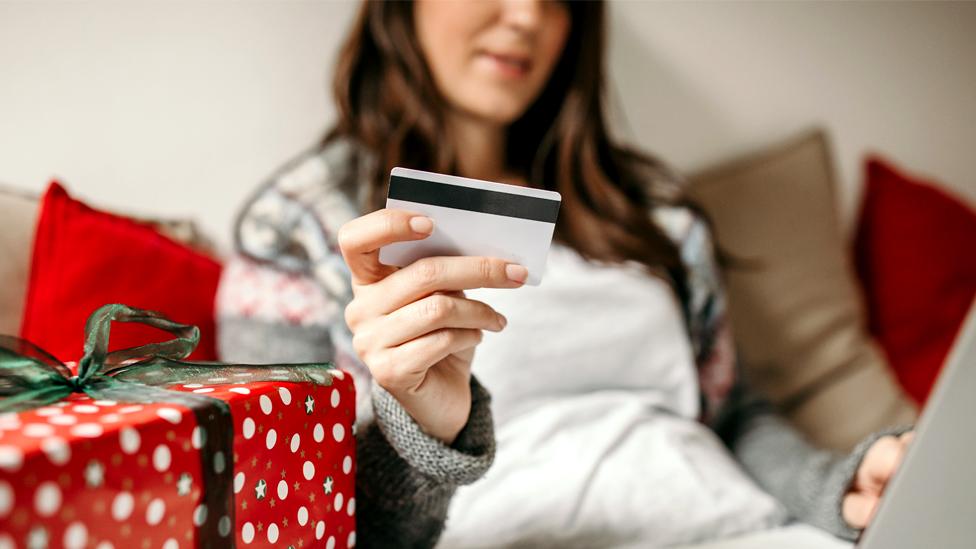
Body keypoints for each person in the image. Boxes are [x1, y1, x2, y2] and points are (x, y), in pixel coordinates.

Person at [217, 1, 913, 547]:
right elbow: (297, 523)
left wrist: (837, 485)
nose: (527, 16)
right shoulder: (298, 228)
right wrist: (421, 433)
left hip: (749, 527)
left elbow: (734, 415)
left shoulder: (652, 207)